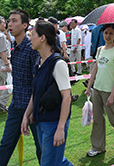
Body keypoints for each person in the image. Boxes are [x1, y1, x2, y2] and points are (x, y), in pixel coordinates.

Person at [21, 20, 72, 166]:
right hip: (41, 121)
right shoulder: (39, 61)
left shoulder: (58, 63)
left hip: (54, 123)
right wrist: (26, 115)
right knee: (56, 160)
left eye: (33, 34)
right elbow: (35, 93)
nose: (30, 37)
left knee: (49, 163)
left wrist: (60, 128)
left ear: (42, 38)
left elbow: (66, 98)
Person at [84, 24, 114, 157]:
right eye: (106, 33)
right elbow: (95, 69)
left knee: (113, 119)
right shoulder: (100, 50)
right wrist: (89, 87)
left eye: (111, 33)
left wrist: (112, 94)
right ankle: (98, 147)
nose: (108, 36)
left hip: (109, 91)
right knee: (98, 119)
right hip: (97, 89)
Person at [0, 9, 41, 166]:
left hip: (33, 108)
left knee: (41, 148)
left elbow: (37, 83)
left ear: (25, 25)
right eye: (9, 21)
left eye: (14, 21)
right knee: (6, 144)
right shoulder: (14, 48)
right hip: (16, 105)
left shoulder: (32, 49)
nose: (10, 24)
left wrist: (30, 111)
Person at [0, 16, 11, 112]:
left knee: (1, 83)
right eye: (3, 23)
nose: (5, 25)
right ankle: (2, 103)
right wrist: (7, 64)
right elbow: (2, 52)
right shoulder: (1, 36)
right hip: (3, 61)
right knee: (9, 82)